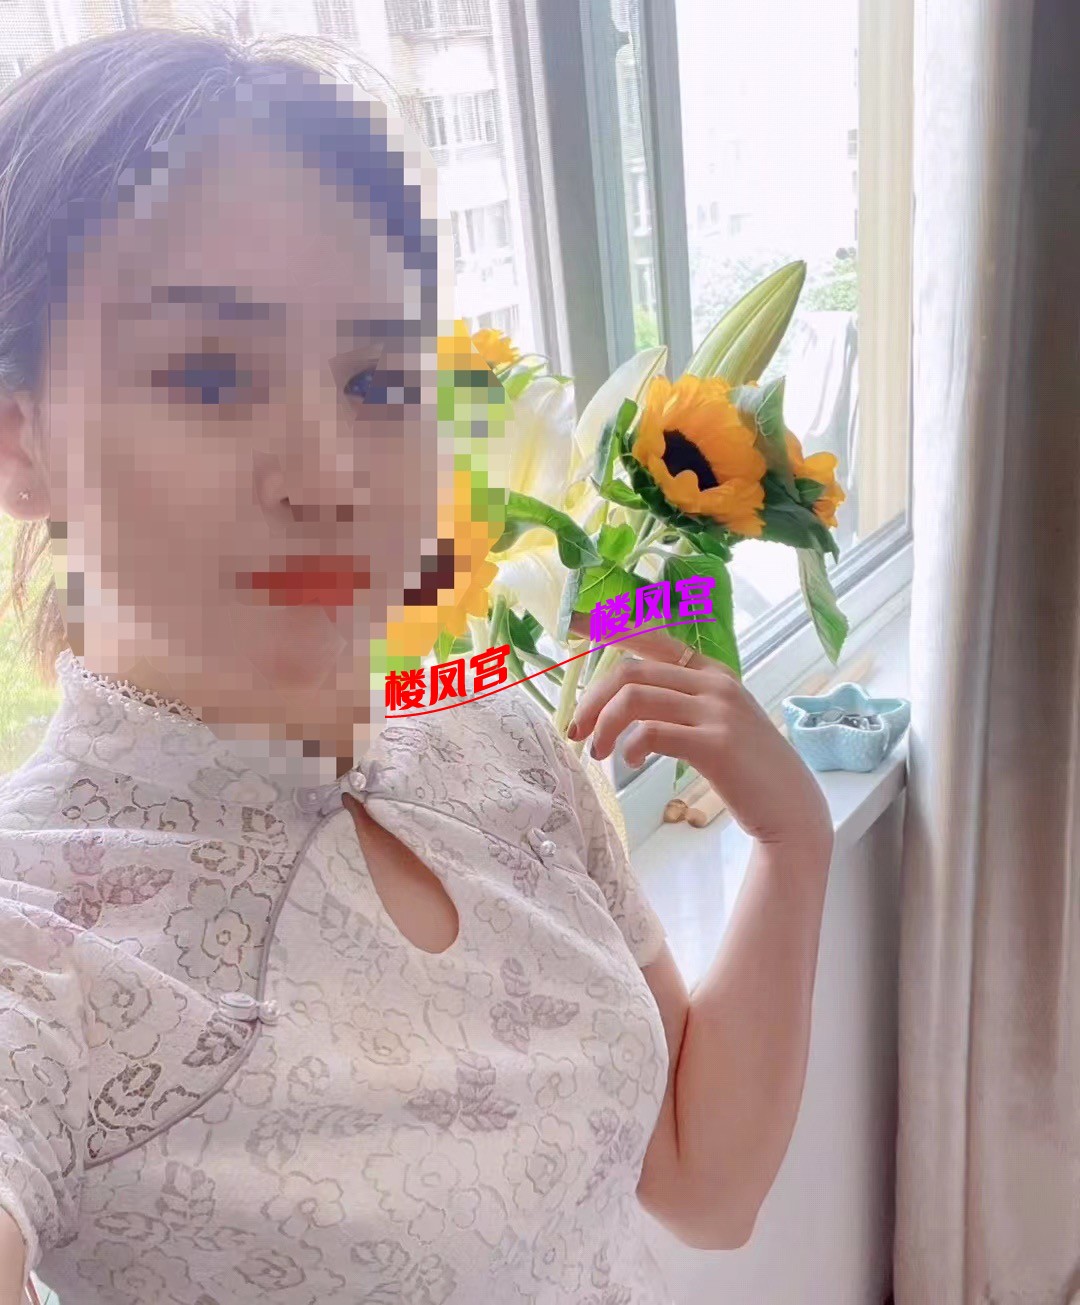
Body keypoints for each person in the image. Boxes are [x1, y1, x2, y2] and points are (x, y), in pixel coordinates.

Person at [0, 28, 835, 1305]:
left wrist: (794, 837)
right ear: (21, 445)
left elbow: (703, 1184)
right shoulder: (41, 935)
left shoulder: (494, 739)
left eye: (377, 378)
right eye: (211, 375)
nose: (330, 472)